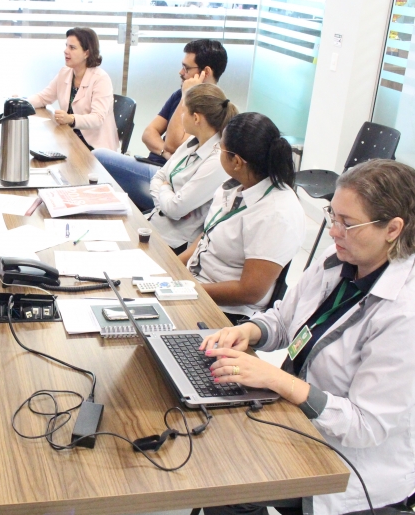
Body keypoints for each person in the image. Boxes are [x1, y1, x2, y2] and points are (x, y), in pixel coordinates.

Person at [200, 159, 415, 515]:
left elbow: (365, 427)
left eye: (347, 223)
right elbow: (285, 320)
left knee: (228, 487)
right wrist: (248, 330)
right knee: (210, 431)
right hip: (303, 415)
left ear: (393, 229)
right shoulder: (343, 261)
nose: (333, 231)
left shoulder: (412, 317)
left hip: (361, 458)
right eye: (332, 215)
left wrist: (277, 380)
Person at [177, 112, 304, 322]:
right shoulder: (237, 186)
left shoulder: (276, 214)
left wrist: (188, 290)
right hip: (194, 287)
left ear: (236, 161)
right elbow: (208, 235)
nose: (218, 152)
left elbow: (250, 292)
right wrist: (172, 268)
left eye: (220, 148)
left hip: (226, 310)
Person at [94, 39, 228, 211]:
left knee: (98, 157)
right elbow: (148, 133)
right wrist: (165, 152)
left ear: (206, 72)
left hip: (169, 179)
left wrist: (187, 95)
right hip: (157, 168)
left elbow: (173, 143)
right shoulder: (179, 94)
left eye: (186, 68)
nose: (181, 72)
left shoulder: (212, 109)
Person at [146, 84, 237, 255]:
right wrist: (168, 203)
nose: (181, 116)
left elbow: (176, 209)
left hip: (174, 243)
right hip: (155, 222)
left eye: (183, 111)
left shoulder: (217, 160)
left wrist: (166, 191)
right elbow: (158, 177)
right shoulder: (192, 142)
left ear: (196, 118)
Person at [27, 27, 118, 151]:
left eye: (72, 48)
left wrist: (71, 119)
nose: (66, 51)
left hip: (95, 147)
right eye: (66, 46)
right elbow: (43, 98)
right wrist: (21, 104)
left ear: (86, 53)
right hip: (70, 138)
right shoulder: (65, 72)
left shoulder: (101, 79)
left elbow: (98, 118)